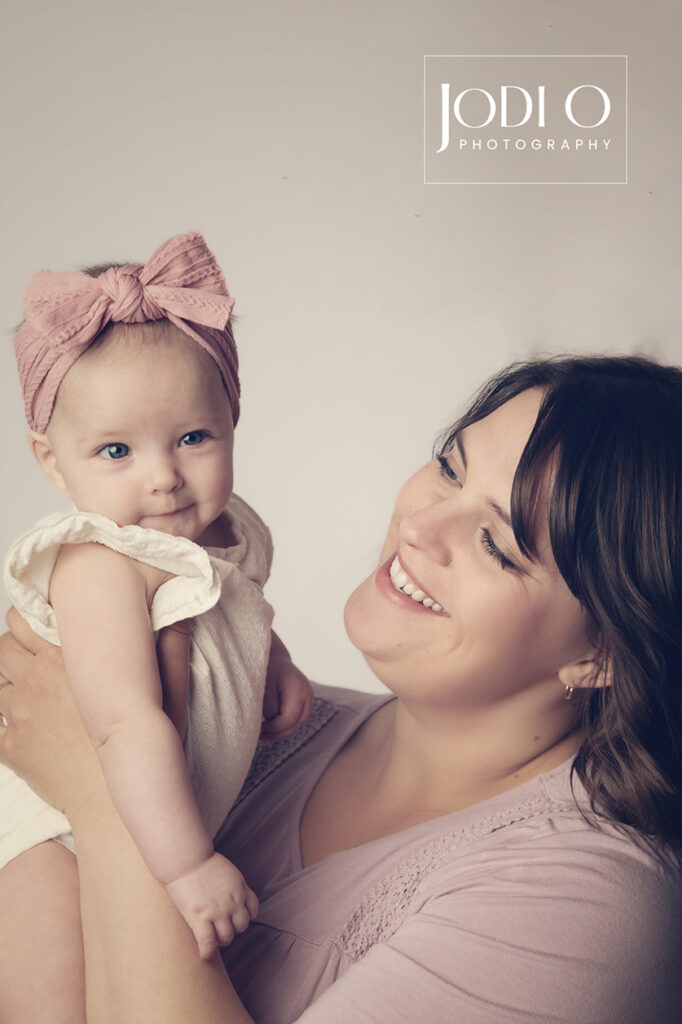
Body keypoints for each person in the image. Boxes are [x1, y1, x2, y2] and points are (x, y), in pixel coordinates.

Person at [1, 353, 681, 1024]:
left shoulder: (586, 904)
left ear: (602, 650)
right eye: (450, 469)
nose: (417, 527)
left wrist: (104, 796)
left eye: (496, 545)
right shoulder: (247, 714)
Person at [0, 232, 313, 1021]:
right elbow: (121, 723)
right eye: (116, 450)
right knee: (57, 1002)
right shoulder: (101, 563)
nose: (164, 477)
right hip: (45, 830)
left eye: (192, 438)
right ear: (52, 460)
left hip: (143, 816)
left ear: (232, 417)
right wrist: (187, 867)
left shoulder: (225, 533)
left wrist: (273, 659)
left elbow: (234, 607)